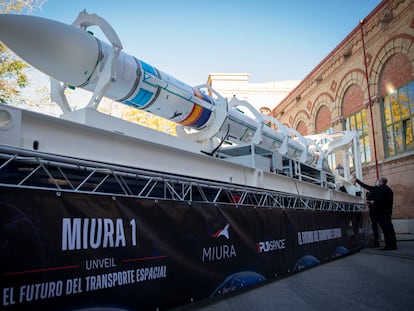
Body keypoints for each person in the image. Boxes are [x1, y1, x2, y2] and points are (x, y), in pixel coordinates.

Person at [352, 176, 397, 250]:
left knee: (386, 229)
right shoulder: (389, 190)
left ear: (381, 182)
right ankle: (392, 244)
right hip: (387, 213)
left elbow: (380, 201)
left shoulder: (381, 189)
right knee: (389, 229)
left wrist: (373, 202)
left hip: (382, 213)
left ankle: (389, 245)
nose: (377, 182)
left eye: (378, 180)